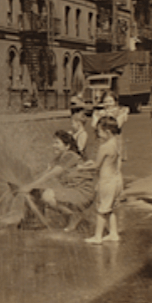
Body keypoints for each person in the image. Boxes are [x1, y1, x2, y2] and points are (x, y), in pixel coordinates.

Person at [20, 130, 95, 232]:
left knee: (47, 196)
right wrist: (27, 186)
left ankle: (74, 216)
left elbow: (52, 174)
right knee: (38, 192)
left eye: (57, 143)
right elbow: (45, 174)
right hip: (72, 191)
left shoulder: (70, 155)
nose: (53, 146)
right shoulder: (57, 159)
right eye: (53, 143)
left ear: (67, 146)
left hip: (83, 192)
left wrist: (30, 186)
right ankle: (34, 222)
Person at [81, 116, 123, 244]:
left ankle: (97, 237)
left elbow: (96, 166)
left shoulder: (104, 146)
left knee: (101, 209)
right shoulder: (117, 143)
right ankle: (113, 233)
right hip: (117, 180)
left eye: (99, 131)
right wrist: (90, 163)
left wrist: (81, 168)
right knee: (110, 208)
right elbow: (106, 161)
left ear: (107, 132)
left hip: (107, 182)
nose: (97, 134)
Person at [91, 91, 129, 161]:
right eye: (105, 102)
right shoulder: (98, 113)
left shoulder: (121, 111)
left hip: (115, 139)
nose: (108, 104)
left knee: (114, 160)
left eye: (110, 101)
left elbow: (118, 125)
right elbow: (94, 125)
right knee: (101, 159)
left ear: (115, 102)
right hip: (101, 139)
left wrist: (105, 117)